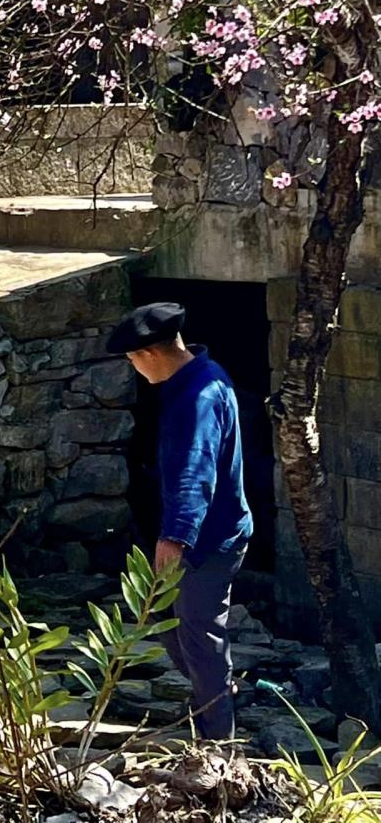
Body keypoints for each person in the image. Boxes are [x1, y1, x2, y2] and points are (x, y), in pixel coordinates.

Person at [107, 301, 254, 740]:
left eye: (133, 359)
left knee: (199, 636)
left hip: (209, 540)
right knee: (175, 628)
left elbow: (197, 469)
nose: (135, 369)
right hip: (207, 532)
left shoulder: (199, 397)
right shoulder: (198, 379)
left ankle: (217, 740)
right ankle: (211, 701)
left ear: (149, 353)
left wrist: (175, 538)